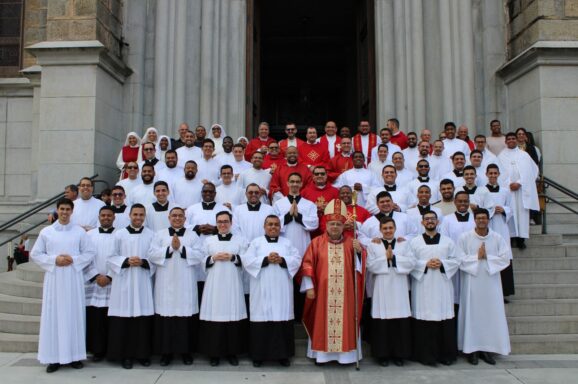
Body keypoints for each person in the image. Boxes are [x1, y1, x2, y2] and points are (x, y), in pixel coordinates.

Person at [31, 198, 96, 373]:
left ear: (72, 211)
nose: (65, 212)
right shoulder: (47, 232)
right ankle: (53, 358)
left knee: (73, 315)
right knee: (54, 316)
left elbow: (89, 252)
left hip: (73, 278)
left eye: (68, 209)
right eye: (62, 209)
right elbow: (36, 254)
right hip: (54, 278)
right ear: (57, 210)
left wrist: (73, 260)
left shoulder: (79, 232)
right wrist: (55, 260)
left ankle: (75, 356)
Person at [300, 198, 365, 364]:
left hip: (346, 294)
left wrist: (359, 253)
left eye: (338, 224)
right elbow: (307, 264)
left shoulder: (352, 243)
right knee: (322, 321)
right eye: (332, 224)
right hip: (323, 293)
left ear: (344, 226)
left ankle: (346, 357)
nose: (335, 227)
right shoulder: (316, 243)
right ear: (326, 225)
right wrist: (309, 287)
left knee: (345, 322)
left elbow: (360, 268)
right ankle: (321, 356)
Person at [243, 215, 301, 367]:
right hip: (261, 288)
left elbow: (296, 259)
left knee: (281, 318)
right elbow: (247, 260)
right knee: (261, 319)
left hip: (282, 289)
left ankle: (283, 355)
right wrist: (265, 259)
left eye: (276, 224)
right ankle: (258, 355)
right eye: (270, 224)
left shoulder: (287, 243)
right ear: (264, 226)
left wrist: (283, 260)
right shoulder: (256, 243)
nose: (273, 227)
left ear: (280, 227)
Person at [148, 207, 203, 366]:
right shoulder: (160, 234)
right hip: (166, 282)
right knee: (167, 317)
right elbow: (152, 254)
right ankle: (166, 353)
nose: (177, 218)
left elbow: (200, 255)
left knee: (185, 317)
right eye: (174, 215)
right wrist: (171, 248)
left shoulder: (193, 235)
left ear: (185, 218)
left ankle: (186, 352)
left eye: (180, 216)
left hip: (186, 281)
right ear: (169, 217)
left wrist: (182, 248)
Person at [457, 208, 511, 365]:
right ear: (474, 220)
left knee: (489, 315)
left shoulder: (497, 238)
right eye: (478, 218)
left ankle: (487, 349)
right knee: (472, 314)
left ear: (488, 220)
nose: (481, 220)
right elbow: (459, 259)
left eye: (484, 218)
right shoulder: (465, 237)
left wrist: (487, 257)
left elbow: (505, 258)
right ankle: (472, 350)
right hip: (472, 283)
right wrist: (476, 257)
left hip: (491, 283)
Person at [107, 204, 155, 369]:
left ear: (144, 216)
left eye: (141, 215)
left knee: (142, 321)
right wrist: (126, 261)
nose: (138, 217)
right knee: (124, 320)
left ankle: (142, 355)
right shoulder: (119, 234)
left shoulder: (151, 235)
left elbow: (155, 257)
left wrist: (144, 262)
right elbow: (111, 256)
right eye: (135, 214)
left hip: (142, 281)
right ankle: (125, 355)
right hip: (124, 282)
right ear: (129, 215)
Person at [408, 210, 459, 366]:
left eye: (433, 219)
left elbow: (456, 260)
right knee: (424, 319)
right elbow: (409, 261)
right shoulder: (414, 242)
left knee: (443, 318)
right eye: (427, 219)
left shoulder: (448, 241)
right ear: (422, 222)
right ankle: (425, 356)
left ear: (438, 222)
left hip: (442, 285)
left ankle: (446, 355)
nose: (430, 221)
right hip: (423, 285)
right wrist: (424, 264)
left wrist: (443, 263)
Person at [198, 211, 249, 366]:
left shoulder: (240, 240)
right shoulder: (209, 241)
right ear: (216, 223)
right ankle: (215, 354)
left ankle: (231, 353)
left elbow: (248, 259)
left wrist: (233, 258)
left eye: (226, 221)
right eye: (220, 221)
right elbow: (200, 258)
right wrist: (212, 258)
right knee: (215, 317)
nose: (223, 224)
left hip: (233, 283)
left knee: (232, 316)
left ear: (231, 223)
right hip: (214, 284)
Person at [367, 217, 415, 367]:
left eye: (390, 228)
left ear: (395, 229)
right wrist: (385, 258)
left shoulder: (404, 244)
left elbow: (412, 262)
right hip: (382, 285)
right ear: (380, 230)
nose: (388, 231)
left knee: (399, 321)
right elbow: (370, 265)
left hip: (399, 285)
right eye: (385, 228)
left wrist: (394, 259)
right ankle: (383, 355)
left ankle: (399, 354)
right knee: (383, 322)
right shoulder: (373, 245)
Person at [84, 206, 116, 362]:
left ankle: (112, 350)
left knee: (112, 319)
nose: (106, 218)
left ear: (114, 217)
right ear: (99, 217)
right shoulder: (89, 235)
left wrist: (110, 276)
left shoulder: (120, 235)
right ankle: (96, 350)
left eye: (109, 216)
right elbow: (85, 257)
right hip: (94, 282)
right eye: (103, 215)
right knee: (95, 319)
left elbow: (120, 257)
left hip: (113, 282)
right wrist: (95, 275)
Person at [498, 132, 539, 249]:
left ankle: (521, 239)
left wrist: (520, 183)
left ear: (516, 140)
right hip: (508, 190)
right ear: (505, 141)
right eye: (508, 139)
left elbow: (532, 171)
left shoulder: (524, 155)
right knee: (510, 213)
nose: (511, 140)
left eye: (513, 138)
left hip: (521, 190)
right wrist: (509, 183)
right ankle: (511, 238)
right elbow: (499, 173)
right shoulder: (501, 156)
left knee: (522, 214)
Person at [485, 164, 514, 299]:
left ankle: (504, 293)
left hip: (502, 226)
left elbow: (511, 208)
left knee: (503, 255)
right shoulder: (482, 191)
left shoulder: (505, 191)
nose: (493, 176)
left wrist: (503, 210)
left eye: (495, 173)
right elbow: (480, 208)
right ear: (486, 175)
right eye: (490, 173)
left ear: (498, 174)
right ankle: (490, 292)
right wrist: (491, 211)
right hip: (488, 225)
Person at [273, 172, 319, 257]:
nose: (295, 184)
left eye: (297, 182)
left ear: (301, 184)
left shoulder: (309, 204)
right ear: (288, 183)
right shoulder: (278, 204)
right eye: (292, 181)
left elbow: (315, 223)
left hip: (302, 240)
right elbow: (273, 223)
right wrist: (288, 216)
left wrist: (299, 216)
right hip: (284, 239)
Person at [301, 166, 339, 236]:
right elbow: (301, 210)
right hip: (310, 228)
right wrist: (314, 208)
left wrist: (328, 208)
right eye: (317, 174)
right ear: (313, 176)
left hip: (329, 229)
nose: (319, 176)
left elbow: (339, 210)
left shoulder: (335, 191)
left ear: (326, 175)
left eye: (322, 174)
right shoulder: (304, 192)